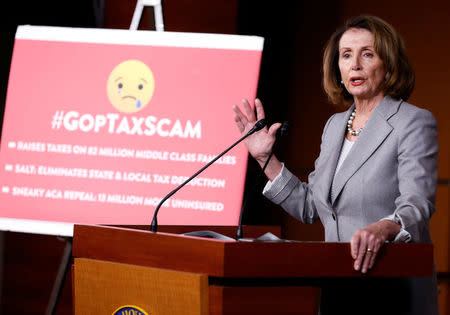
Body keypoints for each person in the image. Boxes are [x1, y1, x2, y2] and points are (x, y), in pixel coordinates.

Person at [233, 15, 439, 315]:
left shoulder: (413, 122)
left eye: (367, 54)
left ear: (389, 64)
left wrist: (384, 227)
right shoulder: (335, 126)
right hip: (338, 287)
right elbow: (310, 207)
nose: (355, 64)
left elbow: (416, 204)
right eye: (346, 55)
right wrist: (266, 159)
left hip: (391, 288)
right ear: (339, 70)